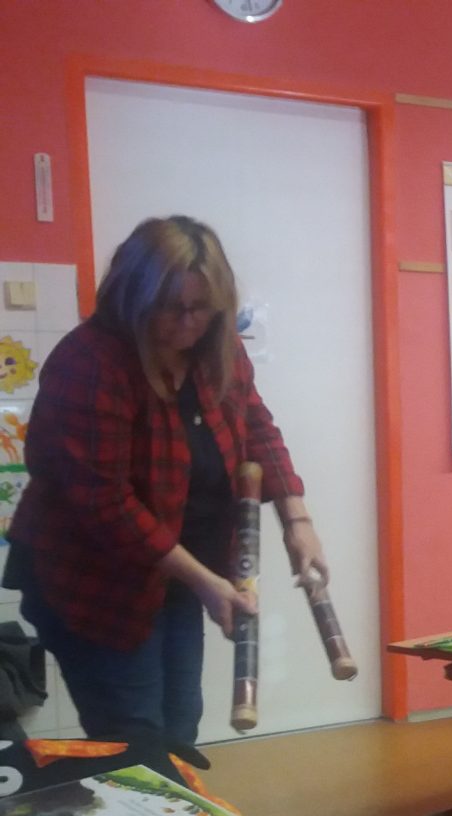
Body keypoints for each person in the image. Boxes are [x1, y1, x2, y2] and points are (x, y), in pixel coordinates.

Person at [5, 217, 327, 760]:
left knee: (178, 727)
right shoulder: (91, 362)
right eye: (171, 307)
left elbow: (255, 425)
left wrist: (297, 521)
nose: (187, 322)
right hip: (92, 584)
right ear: (133, 296)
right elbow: (106, 505)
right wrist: (207, 583)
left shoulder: (217, 347)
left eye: (202, 308)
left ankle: (171, 808)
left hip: (171, 577)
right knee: (135, 739)